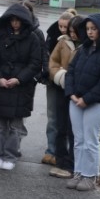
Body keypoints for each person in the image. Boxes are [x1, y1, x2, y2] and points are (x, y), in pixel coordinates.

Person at [63, 13, 100, 192]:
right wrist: (71, 93)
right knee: (78, 140)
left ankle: (90, 176)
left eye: (94, 29)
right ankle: (78, 172)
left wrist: (86, 99)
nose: (90, 32)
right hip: (75, 101)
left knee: (90, 141)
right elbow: (71, 71)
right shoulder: (83, 49)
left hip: (96, 104)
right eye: (88, 29)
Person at [0, 4, 43, 171]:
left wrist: (19, 79)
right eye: (12, 20)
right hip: (1, 87)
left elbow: (35, 63)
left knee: (15, 126)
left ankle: (10, 156)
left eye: (18, 20)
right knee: (0, 126)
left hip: (21, 88)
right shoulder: (1, 38)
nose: (15, 23)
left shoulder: (32, 39)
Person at [47, 15, 84, 178]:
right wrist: (60, 76)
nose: (72, 34)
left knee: (73, 129)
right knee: (60, 126)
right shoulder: (63, 42)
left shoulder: (86, 46)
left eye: (75, 31)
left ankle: (71, 164)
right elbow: (53, 62)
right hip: (61, 88)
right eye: (71, 31)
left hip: (77, 92)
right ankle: (60, 160)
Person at [42, 9, 76, 169]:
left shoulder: (78, 39)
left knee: (69, 120)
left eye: (65, 27)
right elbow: (50, 59)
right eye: (60, 26)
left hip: (72, 85)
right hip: (55, 81)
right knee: (53, 117)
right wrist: (56, 74)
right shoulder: (54, 36)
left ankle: (65, 152)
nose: (62, 29)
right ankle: (51, 150)